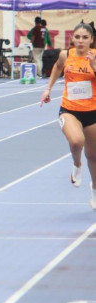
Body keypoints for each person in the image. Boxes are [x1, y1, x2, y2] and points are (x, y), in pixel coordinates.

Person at [41, 22, 96, 210]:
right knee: (76, 142)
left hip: (92, 112)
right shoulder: (66, 55)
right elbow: (57, 67)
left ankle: (95, 192)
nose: (81, 41)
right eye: (77, 37)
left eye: (85, 38)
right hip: (69, 109)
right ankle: (76, 165)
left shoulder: (95, 57)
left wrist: (94, 67)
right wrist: (48, 89)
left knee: (94, 156)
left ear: (91, 40)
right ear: (72, 39)